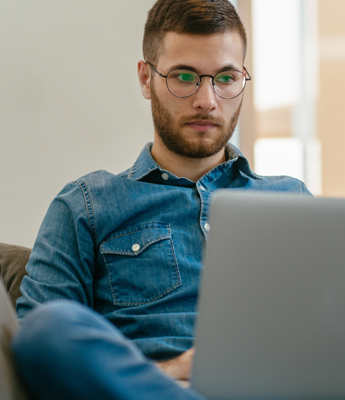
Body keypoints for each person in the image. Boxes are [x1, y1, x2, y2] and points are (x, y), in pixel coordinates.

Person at [12, 0, 311, 399]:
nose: (207, 99)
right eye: (184, 76)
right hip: (154, 390)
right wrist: (170, 372)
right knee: (50, 328)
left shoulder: (291, 199)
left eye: (225, 78)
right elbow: (38, 348)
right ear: (145, 78)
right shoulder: (86, 204)